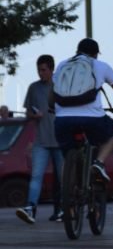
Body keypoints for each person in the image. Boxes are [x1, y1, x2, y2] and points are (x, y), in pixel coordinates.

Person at [52, 38, 113, 184]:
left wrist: (51, 108)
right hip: (92, 119)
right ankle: (99, 163)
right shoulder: (101, 66)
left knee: (67, 157)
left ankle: (67, 198)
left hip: (62, 119)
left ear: (77, 51)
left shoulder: (62, 65)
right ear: (96, 54)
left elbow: (51, 92)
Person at [15, 55, 65, 225]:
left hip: (60, 141)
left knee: (63, 177)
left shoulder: (61, 87)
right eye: (38, 70)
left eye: (43, 70)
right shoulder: (33, 88)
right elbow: (28, 112)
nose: (40, 73)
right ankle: (30, 208)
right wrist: (34, 115)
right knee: (36, 176)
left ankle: (64, 210)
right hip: (41, 142)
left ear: (52, 70)